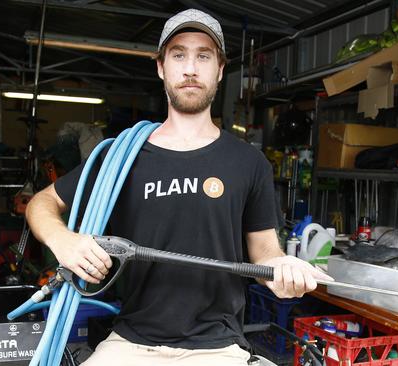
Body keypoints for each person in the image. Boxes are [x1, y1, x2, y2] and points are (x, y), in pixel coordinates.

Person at [26, 8, 333, 366]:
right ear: (161, 67)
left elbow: (265, 253)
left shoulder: (249, 162)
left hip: (219, 347)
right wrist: (64, 241)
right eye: (178, 55)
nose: (190, 68)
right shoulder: (118, 156)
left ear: (220, 70)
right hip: (131, 342)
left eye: (203, 56)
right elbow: (41, 203)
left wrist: (282, 271)